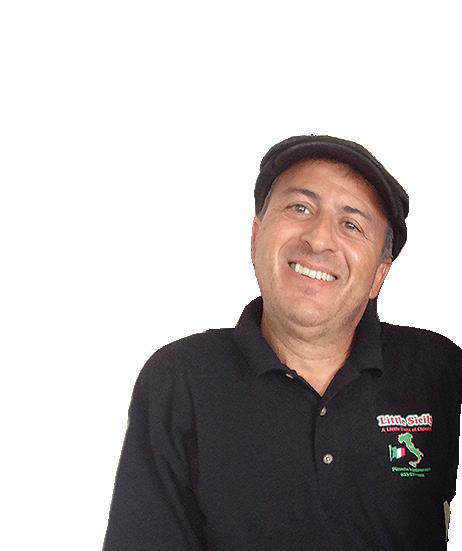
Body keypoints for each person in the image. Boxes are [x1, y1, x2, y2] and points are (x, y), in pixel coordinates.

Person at [103, 135, 461, 550]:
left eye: (351, 224)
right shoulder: (180, 379)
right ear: (256, 238)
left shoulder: (439, 372)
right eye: (300, 208)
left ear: (379, 276)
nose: (319, 239)